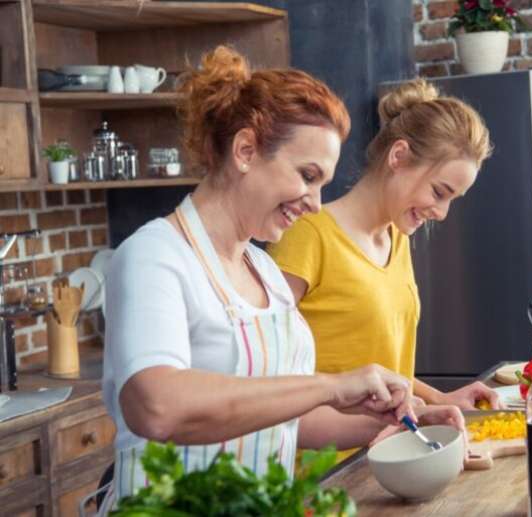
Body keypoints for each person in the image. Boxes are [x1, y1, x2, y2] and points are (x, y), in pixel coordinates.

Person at [100, 47, 463, 511]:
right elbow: (156, 406)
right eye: (306, 175)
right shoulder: (154, 256)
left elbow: (292, 422)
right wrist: (332, 385)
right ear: (246, 150)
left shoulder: (265, 273)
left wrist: (402, 421)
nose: (314, 201)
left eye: (323, 184)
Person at [267, 79, 499, 416]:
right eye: (439, 192)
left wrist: (440, 399)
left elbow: (378, 369)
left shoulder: (397, 238)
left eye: (452, 199)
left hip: (392, 452)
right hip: (327, 463)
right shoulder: (307, 235)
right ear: (399, 156)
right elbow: (266, 371)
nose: (442, 213)